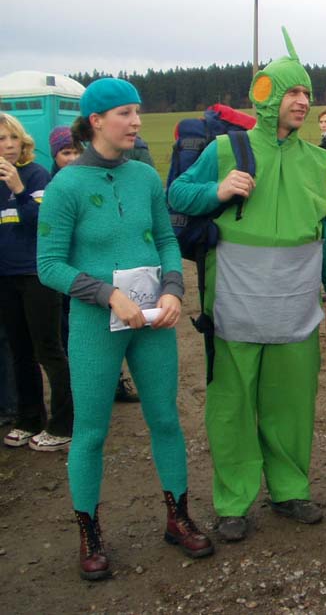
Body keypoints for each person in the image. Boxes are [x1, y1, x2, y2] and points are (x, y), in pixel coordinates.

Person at [168, 28, 326, 542]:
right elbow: (177, 194)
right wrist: (217, 189)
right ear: (267, 95)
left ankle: (290, 490)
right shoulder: (227, 148)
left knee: (291, 401)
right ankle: (234, 500)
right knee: (232, 404)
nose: (303, 101)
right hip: (235, 300)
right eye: (293, 92)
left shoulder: (316, 160)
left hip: (295, 302)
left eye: (307, 93)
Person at [37, 78, 213, 580]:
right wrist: (107, 294)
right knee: (91, 432)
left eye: (137, 111)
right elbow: (49, 265)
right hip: (97, 325)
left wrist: (173, 288)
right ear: (95, 121)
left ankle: (178, 517)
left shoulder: (144, 177)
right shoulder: (66, 186)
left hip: (153, 321)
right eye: (125, 113)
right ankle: (89, 533)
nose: (136, 122)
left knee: (166, 419)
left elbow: (165, 239)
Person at [49, 126, 140, 404]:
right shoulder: (58, 186)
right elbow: (50, 258)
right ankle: (81, 391)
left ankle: (115, 381)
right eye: (65, 153)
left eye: (75, 152)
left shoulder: (131, 177)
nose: (72, 158)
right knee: (70, 335)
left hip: (101, 285)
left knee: (110, 330)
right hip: (71, 282)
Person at [0, 113, 74, 452]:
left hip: (36, 275)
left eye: (13, 138)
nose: (8, 145)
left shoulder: (36, 174)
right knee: (19, 352)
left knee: (49, 350)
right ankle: (29, 419)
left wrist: (18, 189)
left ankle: (63, 424)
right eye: (1, 139)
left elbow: (43, 224)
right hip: (5, 277)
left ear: (23, 142)